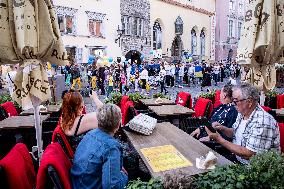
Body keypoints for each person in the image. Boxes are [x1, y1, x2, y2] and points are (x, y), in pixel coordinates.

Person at [205, 83, 280, 164]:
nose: (233, 104)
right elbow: (235, 132)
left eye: (236, 101)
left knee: (207, 166)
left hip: (251, 168)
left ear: (249, 102)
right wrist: (222, 128)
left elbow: (249, 154)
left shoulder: (262, 121)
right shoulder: (243, 113)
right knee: (204, 161)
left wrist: (219, 139)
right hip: (236, 158)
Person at [71, 104, 128, 189]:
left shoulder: (90, 134)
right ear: (118, 124)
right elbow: (112, 187)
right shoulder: (111, 147)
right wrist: (125, 176)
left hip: (77, 182)